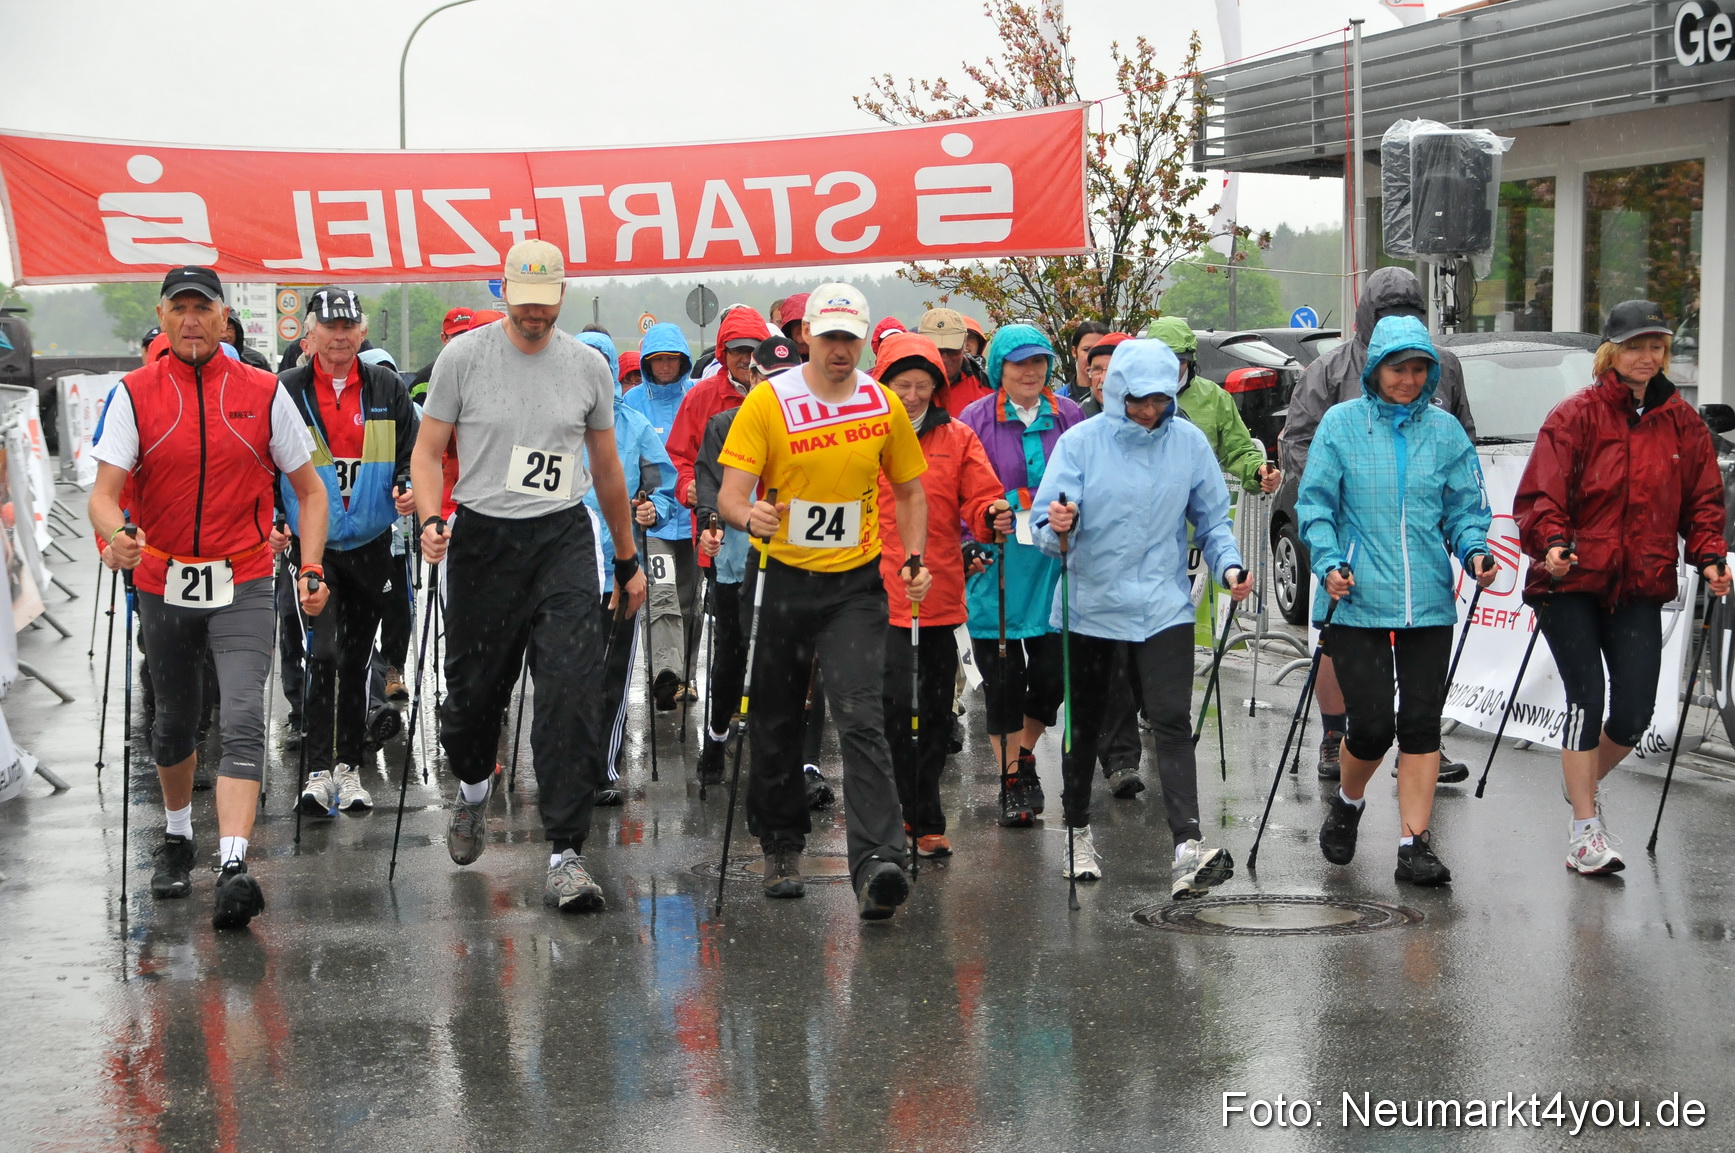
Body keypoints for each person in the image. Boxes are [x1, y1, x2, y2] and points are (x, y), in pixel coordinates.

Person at [90, 265, 330, 930]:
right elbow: (104, 495)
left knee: (247, 713)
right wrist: (116, 535)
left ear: (224, 320)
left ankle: (231, 863)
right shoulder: (135, 394)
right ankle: (176, 835)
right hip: (164, 577)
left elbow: (310, 489)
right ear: (163, 319)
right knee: (175, 721)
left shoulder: (264, 391)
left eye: (205, 308)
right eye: (180, 308)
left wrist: (309, 565)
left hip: (245, 576)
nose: (192, 320)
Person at [412, 240, 646, 914]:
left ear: (563, 296)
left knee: (570, 691)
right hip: (484, 538)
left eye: (546, 304)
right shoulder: (465, 358)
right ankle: (474, 788)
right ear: (504, 294)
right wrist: (433, 517)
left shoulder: (586, 366)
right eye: (523, 304)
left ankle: (566, 853)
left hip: (561, 536)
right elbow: (428, 454)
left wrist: (626, 558)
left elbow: (605, 468)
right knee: (472, 699)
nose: (535, 315)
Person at [716, 282, 931, 919]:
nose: (841, 349)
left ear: (863, 339)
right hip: (783, 576)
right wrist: (747, 514)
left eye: (851, 338)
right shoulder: (769, 400)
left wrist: (914, 561)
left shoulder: (881, 402)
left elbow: (911, 492)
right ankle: (781, 842)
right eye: (830, 336)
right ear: (806, 335)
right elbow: (731, 495)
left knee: (860, 712)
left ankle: (877, 862)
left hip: (855, 584)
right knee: (777, 714)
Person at [1514, 300, 1731, 877]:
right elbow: (1541, 497)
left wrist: (1709, 555)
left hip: (1639, 582)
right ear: (1611, 352)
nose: (1647, 356)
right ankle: (1585, 829)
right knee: (1586, 699)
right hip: (1570, 582)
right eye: (1636, 345)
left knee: (1633, 714)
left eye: (1656, 345)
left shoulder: (1683, 423)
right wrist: (1553, 543)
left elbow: (1703, 502)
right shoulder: (1575, 416)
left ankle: (1579, 782)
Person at [1033, 338, 1252, 893]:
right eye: (1137, 400)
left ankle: (1187, 848)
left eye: (1158, 399)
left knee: (1172, 722)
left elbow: (1212, 519)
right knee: (1083, 727)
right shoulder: (1081, 443)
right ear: (1115, 392)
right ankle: (1077, 831)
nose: (1149, 411)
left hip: (1163, 604)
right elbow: (1043, 522)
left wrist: (1230, 567)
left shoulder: (1189, 443)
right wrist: (1059, 523)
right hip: (1092, 607)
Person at [1298, 316, 1497, 888]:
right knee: (1371, 728)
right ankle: (1350, 801)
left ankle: (1414, 844)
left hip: (1428, 600)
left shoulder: (1445, 433)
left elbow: (1465, 510)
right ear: (1375, 369)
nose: (1408, 380)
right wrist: (1331, 561)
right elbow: (1314, 505)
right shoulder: (1341, 425)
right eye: (1397, 369)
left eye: (1418, 369)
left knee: (1419, 725)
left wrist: (1475, 552)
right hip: (1357, 597)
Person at [1279, 266, 1477, 785]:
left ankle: (1421, 736)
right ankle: (1334, 732)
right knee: (1342, 639)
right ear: (1367, 314)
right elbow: (1299, 440)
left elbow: (1461, 433)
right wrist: (1335, 505)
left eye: (1409, 313)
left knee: (1418, 656)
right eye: (1387, 314)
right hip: (1346, 531)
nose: (1407, 378)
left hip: (1415, 538)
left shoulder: (1446, 366)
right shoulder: (1328, 369)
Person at [277, 286, 419, 820]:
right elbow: (267, 461)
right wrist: (273, 519)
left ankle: (349, 768)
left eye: (348, 329)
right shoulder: (287, 389)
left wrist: (406, 483)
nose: (339, 339)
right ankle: (315, 772)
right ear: (309, 334)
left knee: (358, 658)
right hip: (314, 546)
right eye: (329, 329)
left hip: (372, 542)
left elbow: (411, 448)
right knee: (325, 653)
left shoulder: (385, 385)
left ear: (361, 333)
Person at [872, 332, 1003, 858]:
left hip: (937, 592)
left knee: (930, 713)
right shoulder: (866, 434)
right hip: (873, 593)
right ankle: (895, 812)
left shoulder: (958, 439)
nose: (912, 395)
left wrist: (991, 516)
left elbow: (981, 497)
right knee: (888, 712)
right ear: (883, 384)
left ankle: (926, 816)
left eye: (923, 385)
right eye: (902, 385)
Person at [958, 324, 1086, 827]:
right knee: (1003, 680)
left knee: (1053, 675)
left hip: (1056, 565)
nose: (1030, 372)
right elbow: (958, 490)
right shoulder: (974, 420)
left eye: (1039, 362)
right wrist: (978, 532)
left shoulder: (1069, 415)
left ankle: (1025, 752)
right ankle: (1011, 779)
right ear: (999, 370)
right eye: (1019, 364)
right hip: (998, 568)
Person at [691, 334, 803, 787]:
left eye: (785, 378)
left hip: (791, 563)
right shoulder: (724, 423)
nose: (774, 387)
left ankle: (779, 754)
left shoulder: (810, 426)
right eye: (766, 378)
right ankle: (716, 737)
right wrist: (710, 523)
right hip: (735, 561)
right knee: (732, 655)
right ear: (751, 377)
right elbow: (708, 481)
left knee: (783, 661)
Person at [576, 330, 677, 806]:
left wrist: (653, 508)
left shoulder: (634, 426)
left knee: (612, 669)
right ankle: (564, 764)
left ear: (614, 371)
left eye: (601, 364)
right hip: (563, 567)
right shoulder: (548, 420)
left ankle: (600, 768)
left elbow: (664, 487)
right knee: (565, 673)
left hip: (621, 568)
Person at [622, 321, 705, 710]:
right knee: (661, 597)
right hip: (651, 519)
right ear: (647, 363)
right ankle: (663, 675)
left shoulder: (695, 396)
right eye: (658, 360)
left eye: (672, 359)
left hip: (690, 518)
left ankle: (685, 675)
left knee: (691, 602)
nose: (666, 367)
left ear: (683, 361)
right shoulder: (633, 402)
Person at [919, 308, 991, 416]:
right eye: (936, 350)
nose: (944, 358)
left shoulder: (988, 386)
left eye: (952, 351)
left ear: (965, 342)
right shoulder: (902, 385)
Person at [409, 307, 478, 400]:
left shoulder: (492, 371)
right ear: (444, 338)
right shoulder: (426, 378)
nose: (463, 341)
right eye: (457, 336)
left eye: (470, 334)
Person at [1067, 321, 1112, 401]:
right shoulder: (1058, 401)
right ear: (1074, 352)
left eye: (1099, 350)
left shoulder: (1119, 398)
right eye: (1086, 350)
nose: (1092, 357)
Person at [777, 294, 811, 361]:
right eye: (797, 322)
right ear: (789, 328)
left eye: (808, 322)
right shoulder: (778, 356)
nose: (803, 327)